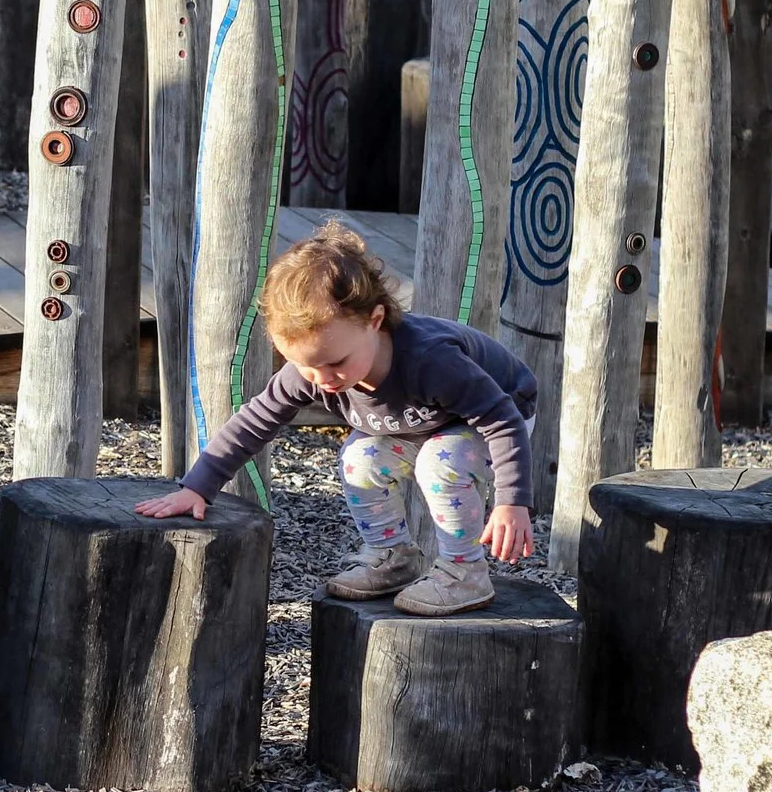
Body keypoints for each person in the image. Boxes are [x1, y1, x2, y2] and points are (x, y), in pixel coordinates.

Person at [136, 221, 537, 615]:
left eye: (336, 363)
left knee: (439, 461)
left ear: (375, 321)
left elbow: (500, 418)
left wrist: (511, 501)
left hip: (502, 413)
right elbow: (253, 422)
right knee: (359, 458)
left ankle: (465, 572)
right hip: (424, 425)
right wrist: (198, 487)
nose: (323, 380)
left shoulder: (431, 360)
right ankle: (392, 557)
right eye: (306, 366)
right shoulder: (312, 371)